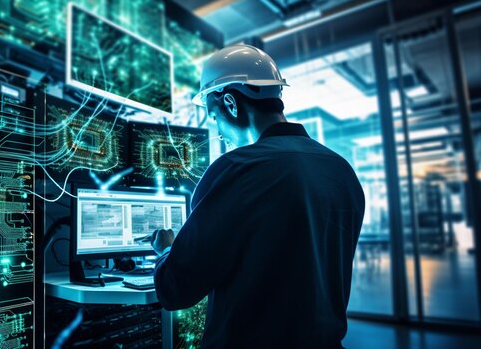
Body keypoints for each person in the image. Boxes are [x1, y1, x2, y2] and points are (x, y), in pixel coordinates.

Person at [150, 45, 365, 348]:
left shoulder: (236, 169)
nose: (219, 132)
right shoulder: (341, 170)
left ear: (230, 103)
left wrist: (165, 251)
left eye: (214, 117)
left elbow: (175, 290)